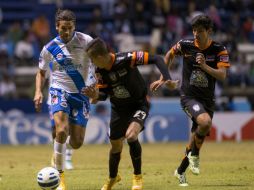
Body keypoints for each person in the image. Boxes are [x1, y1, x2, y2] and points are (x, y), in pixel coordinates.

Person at [82, 37, 178, 190]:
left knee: (131, 136)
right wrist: (94, 96)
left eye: (92, 59)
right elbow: (104, 95)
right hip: (118, 108)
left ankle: (137, 178)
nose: (92, 63)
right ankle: (113, 178)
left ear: (100, 57)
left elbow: (157, 58)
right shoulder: (98, 71)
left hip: (139, 104)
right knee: (115, 146)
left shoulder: (128, 59)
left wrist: (167, 79)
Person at [150, 15, 230, 186]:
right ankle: (195, 155)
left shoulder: (219, 50)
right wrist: (164, 77)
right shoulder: (185, 45)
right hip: (189, 97)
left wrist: (205, 67)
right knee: (205, 122)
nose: (195, 34)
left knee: (194, 139)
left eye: (199, 31)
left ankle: (180, 171)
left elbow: (222, 75)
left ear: (209, 31)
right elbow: (169, 54)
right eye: (194, 30)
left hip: (207, 100)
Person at [33, 9, 96, 190]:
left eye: (69, 28)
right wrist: (38, 91)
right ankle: (60, 178)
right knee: (61, 130)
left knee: (76, 142)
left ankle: (59, 152)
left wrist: (96, 85)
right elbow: (41, 72)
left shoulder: (86, 41)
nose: (66, 32)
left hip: (81, 94)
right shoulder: (49, 48)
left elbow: (98, 63)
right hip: (59, 91)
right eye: (62, 29)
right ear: (56, 27)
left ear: (74, 26)